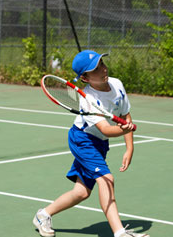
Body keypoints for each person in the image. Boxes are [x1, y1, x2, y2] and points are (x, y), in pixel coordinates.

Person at [33, 50, 149, 237]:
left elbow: (124, 114)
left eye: (102, 63)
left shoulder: (117, 84)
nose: (103, 69)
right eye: (96, 69)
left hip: (99, 143)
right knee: (106, 179)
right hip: (83, 140)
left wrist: (130, 147)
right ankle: (120, 233)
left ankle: (43, 215)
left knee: (81, 192)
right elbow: (106, 130)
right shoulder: (88, 99)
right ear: (85, 78)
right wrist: (125, 130)